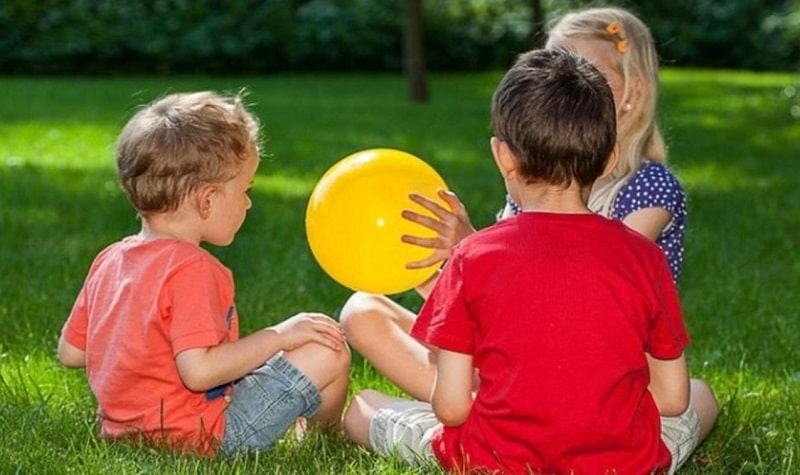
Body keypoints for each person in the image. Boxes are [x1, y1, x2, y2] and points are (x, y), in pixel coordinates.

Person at [342, 48, 718, 474]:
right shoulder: (644, 257)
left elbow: (450, 408)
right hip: (624, 462)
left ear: (503, 156)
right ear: (610, 158)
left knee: (362, 407)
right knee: (701, 395)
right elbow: (672, 399)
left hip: (491, 461)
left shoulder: (473, 255)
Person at [339, 5, 688, 403]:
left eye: (588, 75)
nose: (568, 93)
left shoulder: (651, 188)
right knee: (363, 310)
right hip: (521, 347)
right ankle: (497, 404)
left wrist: (469, 246)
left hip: (600, 371)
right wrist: (444, 272)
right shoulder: (530, 182)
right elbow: (503, 303)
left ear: (633, 92)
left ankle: (491, 410)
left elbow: (591, 277)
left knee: (695, 397)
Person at [57, 91, 350, 457]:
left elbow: (71, 352)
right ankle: (325, 440)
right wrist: (279, 336)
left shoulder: (111, 259)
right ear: (207, 199)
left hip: (125, 433)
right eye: (245, 190)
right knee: (327, 348)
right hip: (205, 438)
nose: (248, 203)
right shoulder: (192, 268)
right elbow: (198, 372)